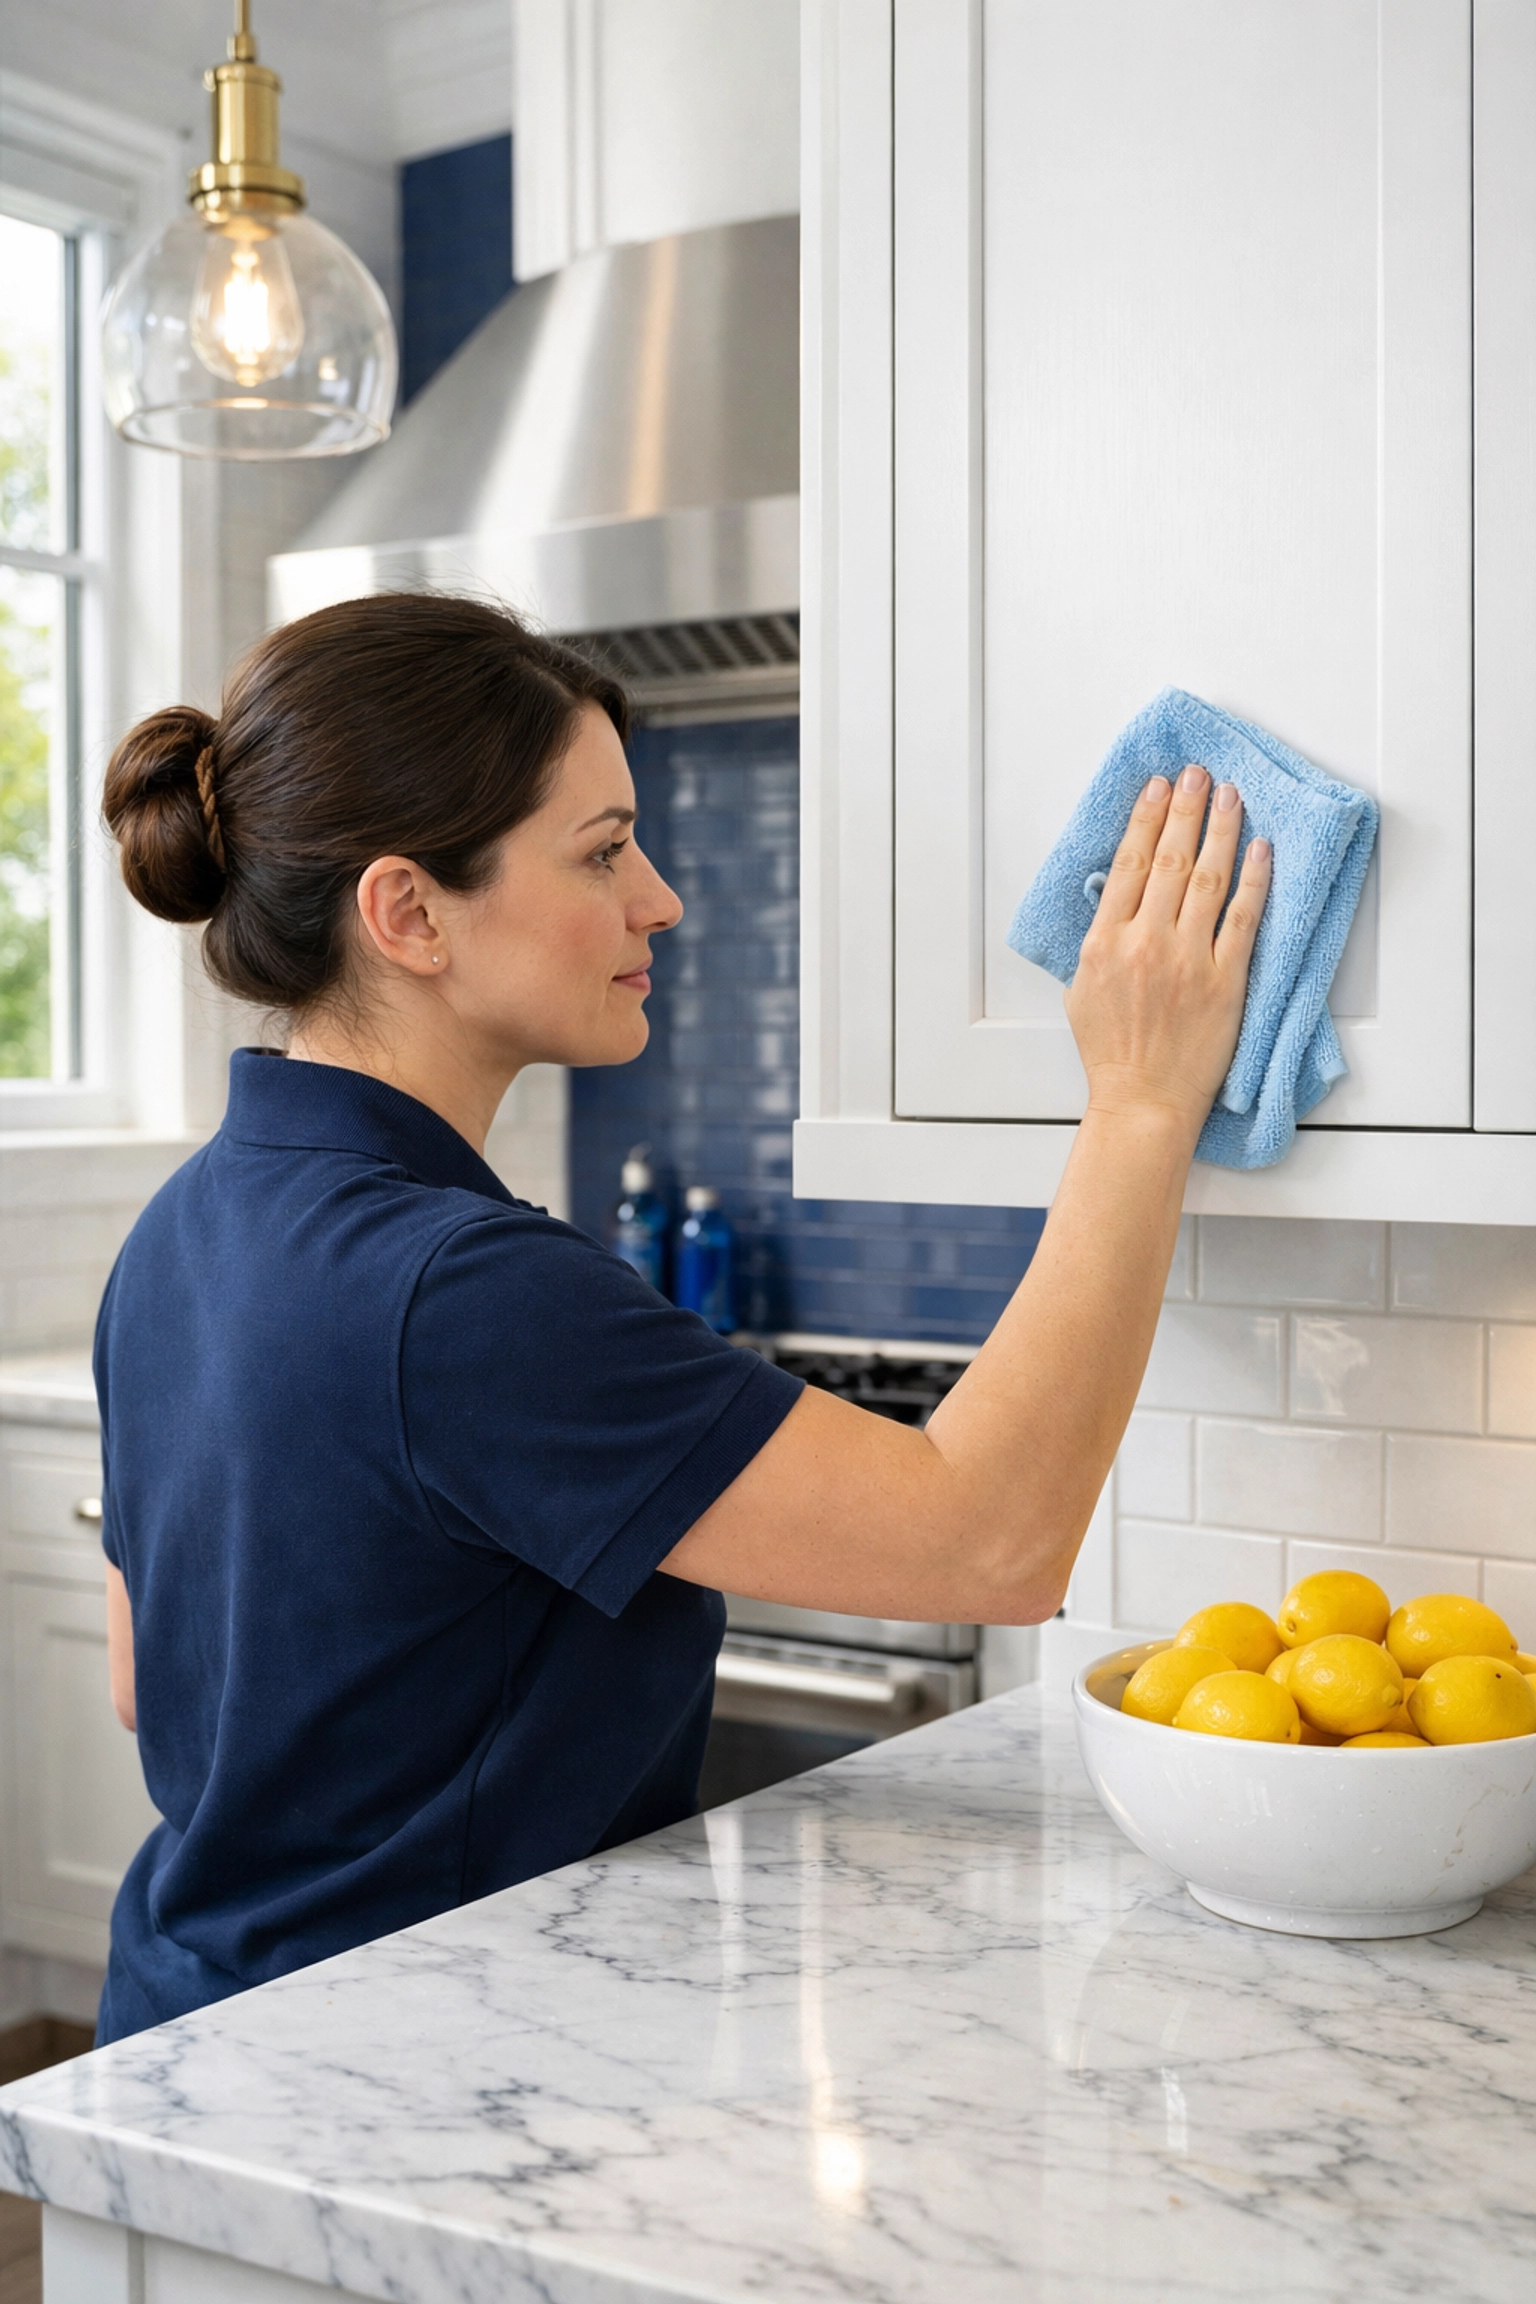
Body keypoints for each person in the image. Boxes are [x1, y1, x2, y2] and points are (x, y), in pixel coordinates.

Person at [93, 593, 1270, 2045]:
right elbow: (994, 1542)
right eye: (602, 852)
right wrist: (1144, 1101)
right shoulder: (460, 1288)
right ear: (407, 913)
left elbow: (153, 1686)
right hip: (421, 2065)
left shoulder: (183, 1228)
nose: (660, 896)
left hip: (183, 2031)